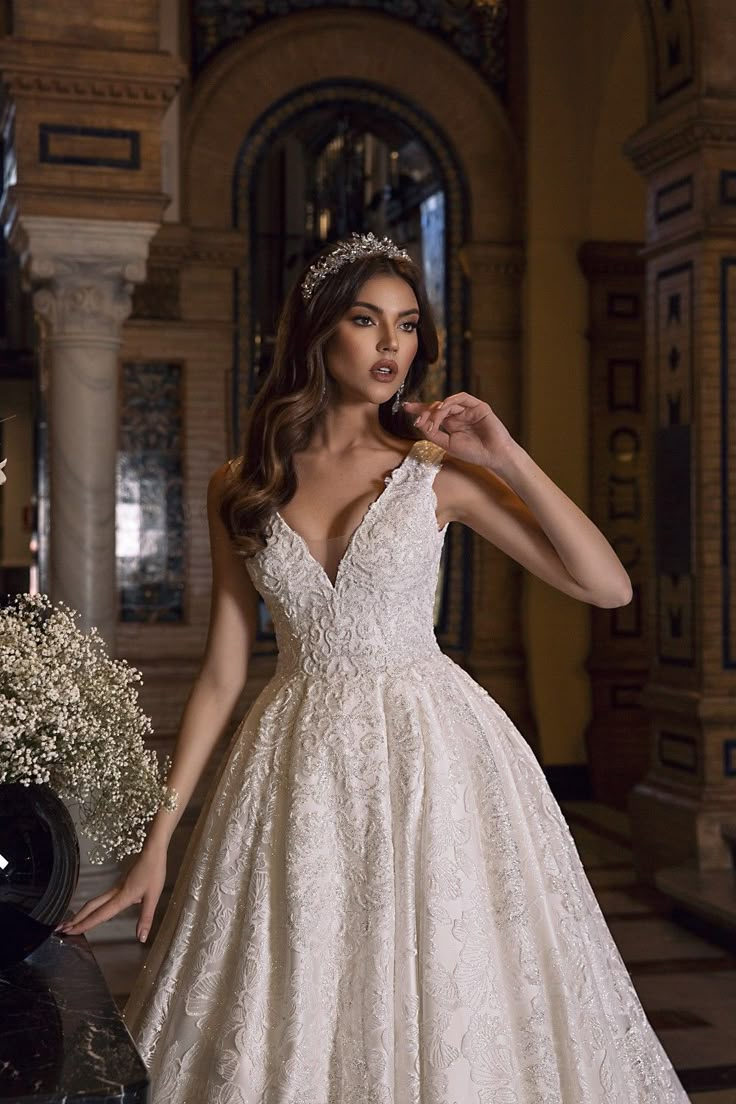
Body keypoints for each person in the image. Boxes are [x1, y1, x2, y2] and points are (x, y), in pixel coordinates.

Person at [58, 232, 688, 1103]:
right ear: (320, 333)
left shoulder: (436, 477)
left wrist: (501, 454)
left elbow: (608, 584)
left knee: (446, 972)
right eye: (367, 321)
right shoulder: (241, 484)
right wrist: (159, 841)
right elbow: (222, 671)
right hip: (294, 764)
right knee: (301, 984)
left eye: (408, 325)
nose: (394, 345)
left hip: (434, 755)